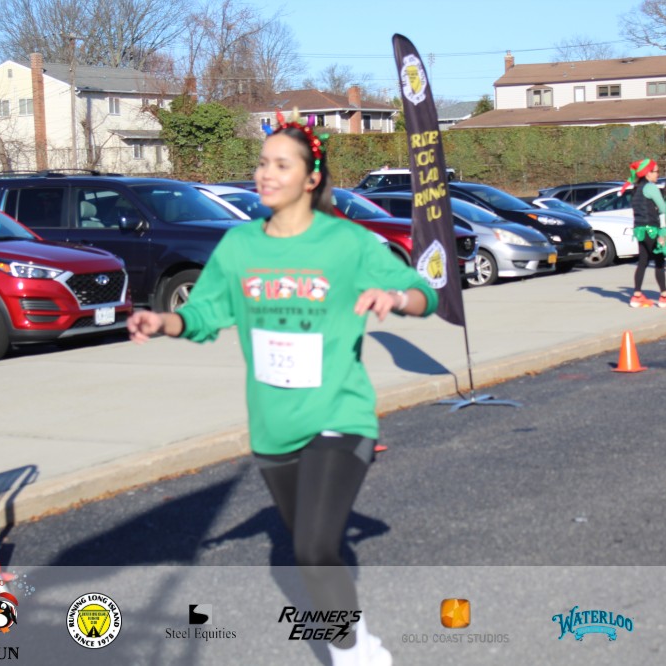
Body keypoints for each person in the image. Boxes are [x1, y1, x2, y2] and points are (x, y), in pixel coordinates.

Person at [128, 110, 437, 666]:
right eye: (262, 163)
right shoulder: (240, 246)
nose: (265, 174)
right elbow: (204, 313)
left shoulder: (346, 242)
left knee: (313, 548)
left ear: (311, 178)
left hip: (339, 414)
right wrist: (164, 321)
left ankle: (353, 656)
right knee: (309, 552)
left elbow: (422, 292)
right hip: (274, 425)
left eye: (281, 165)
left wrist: (394, 298)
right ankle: (357, 636)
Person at [623, 158, 666, 307]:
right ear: (647, 173)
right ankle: (664, 296)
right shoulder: (651, 188)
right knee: (659, 261)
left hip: (639, 229)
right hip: (652, 229)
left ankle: (637, 295)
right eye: (656, 171)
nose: (658, 174)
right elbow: (663, 208)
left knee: (643, 261)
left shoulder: (636, 188)